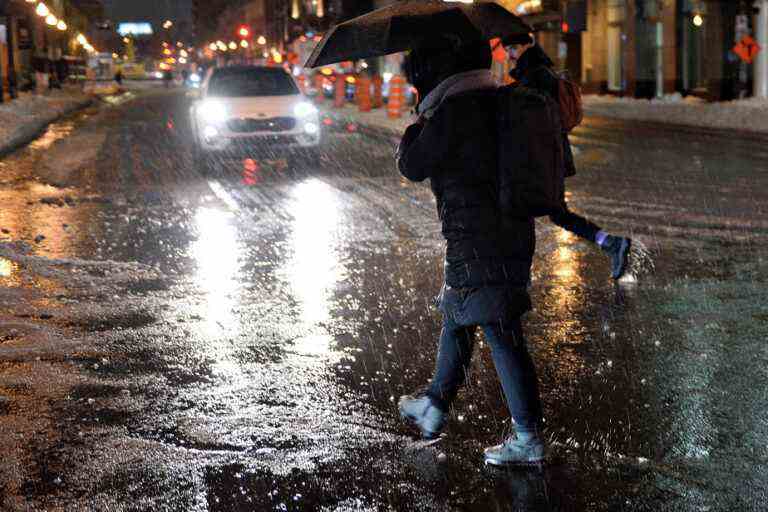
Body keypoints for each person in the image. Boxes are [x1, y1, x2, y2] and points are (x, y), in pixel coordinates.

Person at [396, 35, 546, 466]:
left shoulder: (455, 111)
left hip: (478, 233)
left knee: (499, 327)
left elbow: (412, 164)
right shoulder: (495, 99)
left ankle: (527, 437)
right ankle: (434, 404)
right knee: (458, 310)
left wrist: (419, 120)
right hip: (505, 229)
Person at [505, 34, 632, 280]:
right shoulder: (536, 74)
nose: (510, 54)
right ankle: (609, 242)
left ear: (527, 46)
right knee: (544, 211)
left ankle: (516, 274)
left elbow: (533, 118)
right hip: (545, 156)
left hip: (542, 157)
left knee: (528, 211)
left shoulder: (537, 76)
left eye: (513, 48)